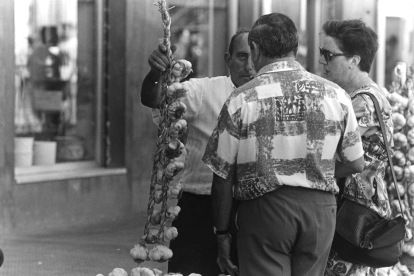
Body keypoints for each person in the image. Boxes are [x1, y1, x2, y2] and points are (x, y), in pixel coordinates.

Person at [202, 13, 365, 276]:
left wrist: (221, 233)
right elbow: (356, 162)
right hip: (320, 212)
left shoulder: (242, 98)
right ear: (294, 47)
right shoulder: (337, 95)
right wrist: (310, 168)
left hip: (266, 211)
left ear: (254, 49)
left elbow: (221, 176)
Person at [140, 28, 256, 276]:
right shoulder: (205, 91)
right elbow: (156, 98)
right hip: (200, 208)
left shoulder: (273, 95)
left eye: (256, 57)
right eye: (242, 57)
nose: (250, 66)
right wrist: (156, 73)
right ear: (228, 59)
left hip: (252, 210)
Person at [319, 19, 394, 276]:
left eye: (328, 55)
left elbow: (329, 151)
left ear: (354, 59)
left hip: (353, 214)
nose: (322, 62)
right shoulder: (361, 96)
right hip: (357, 210)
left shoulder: (363, 103)